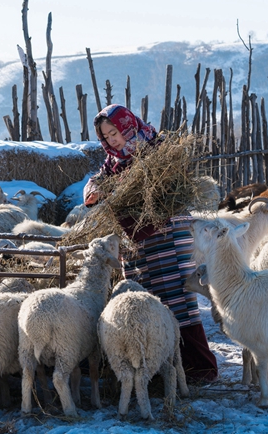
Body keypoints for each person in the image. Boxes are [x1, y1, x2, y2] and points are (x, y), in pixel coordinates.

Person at [84, 104, 218, 383]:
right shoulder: (112, 163)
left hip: (168, 233)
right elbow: (97, 182)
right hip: (136, 238)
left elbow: (171, 187)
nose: (112, 140)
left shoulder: (157, 149)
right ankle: (153, 368)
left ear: (127, 125)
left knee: (176, 297)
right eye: (106, 136)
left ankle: (196, 368)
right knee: (143, 297)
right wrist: (94, 188)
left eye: (114, 132)